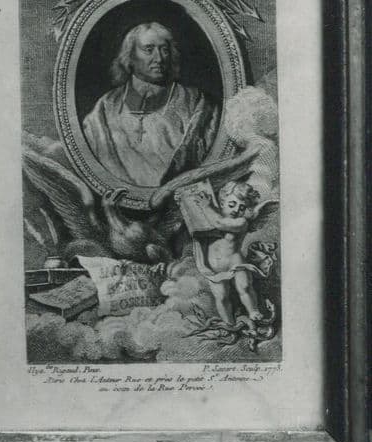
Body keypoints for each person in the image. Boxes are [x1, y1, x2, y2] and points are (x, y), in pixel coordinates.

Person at [82, 22, 219, 186]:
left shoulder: (195, 102)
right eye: (148, 50)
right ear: (130, 56)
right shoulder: (105, 107)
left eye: (164, 50)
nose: (159, 58)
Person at [191, 181, 265, 325]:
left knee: (244, 286)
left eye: (242, 207)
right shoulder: (207, 218)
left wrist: (206, 206)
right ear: (222, 202)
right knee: (221, 296)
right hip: (213, 265)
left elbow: (219, 223)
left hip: (234, 261)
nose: (236, 210)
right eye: (232, 204)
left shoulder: (241, 222)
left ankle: (253, 311)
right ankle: (229, 324)